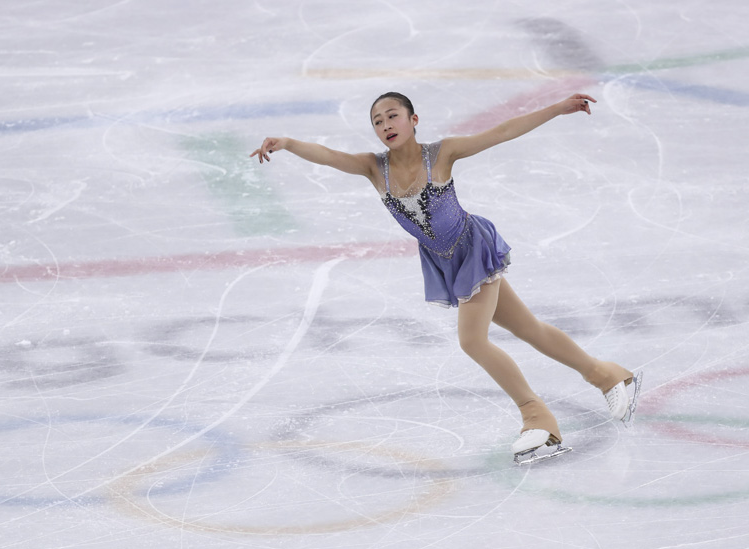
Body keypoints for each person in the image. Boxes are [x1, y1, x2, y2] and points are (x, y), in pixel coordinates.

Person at [251, 91, 641, 464]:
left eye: (393, 116)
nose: (386, 125)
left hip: (473, 249)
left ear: (413, 120)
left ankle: (537, 416)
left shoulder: (441, 154)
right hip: (444, 261)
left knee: (472, 341)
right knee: (529, 329)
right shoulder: (374, 168)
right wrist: (287, 143)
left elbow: (502, 131)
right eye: (378, 121)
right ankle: (607, 375)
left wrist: (557, 108)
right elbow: (329, 156)